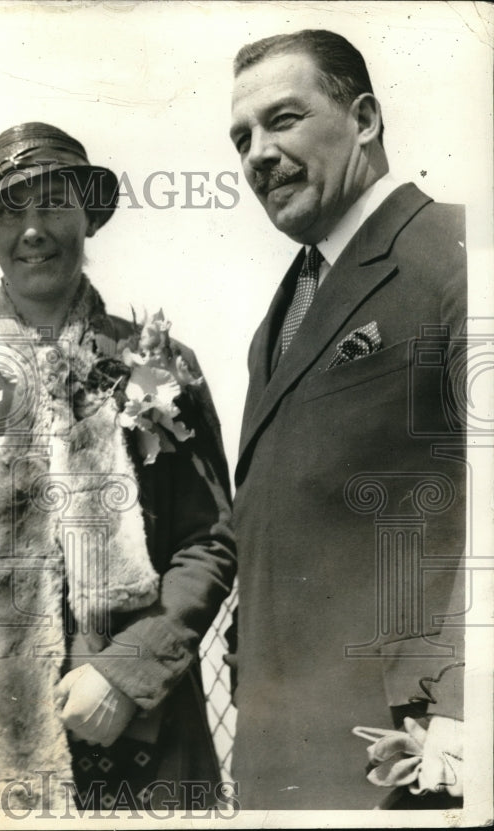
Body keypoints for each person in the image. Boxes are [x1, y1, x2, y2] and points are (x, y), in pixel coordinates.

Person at [0, 122, 236, 811]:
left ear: (88, 213)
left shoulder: (154, 363)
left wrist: (126, 673)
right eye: (10, 210)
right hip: (0, 759)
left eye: (53, 203)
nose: (32, 230)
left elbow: (210, 539)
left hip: (143, 746)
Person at [227, 30, 467, 809]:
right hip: (278, 765)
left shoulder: (457, 253)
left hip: (405, 761)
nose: (258, 153)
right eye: (242, 137)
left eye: (284, 119)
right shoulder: (281, 319)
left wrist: (459, 719)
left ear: (363, 119)